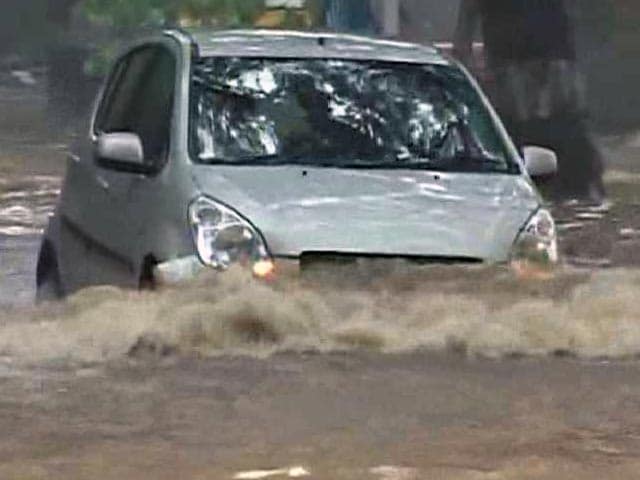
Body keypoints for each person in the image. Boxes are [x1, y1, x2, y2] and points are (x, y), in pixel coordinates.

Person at [454, 0, 606, 203]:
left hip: (550, 62)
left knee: (568, 135)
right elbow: (465, 31)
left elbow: (464, 32)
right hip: (514, 67)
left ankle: (578, 191)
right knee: (515, 137)